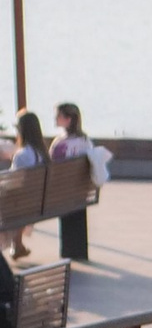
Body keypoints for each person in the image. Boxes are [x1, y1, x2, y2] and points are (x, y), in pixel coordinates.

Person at [49, 100, 101, 263]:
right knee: (78, 216)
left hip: (63, 192)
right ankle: (79, 250)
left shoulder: (60, 144)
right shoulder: (85, 141)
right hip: (81, 191)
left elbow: (52, 167)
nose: (55, 118)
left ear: (68, 119)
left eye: (58, 115)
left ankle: (69, 250)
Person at [6, 110, 39, 264]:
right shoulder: (42, 153)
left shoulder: (22, 155)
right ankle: (17, 245)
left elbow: (13, 182)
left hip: (22, 203)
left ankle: (16, 245)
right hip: (38, 201)